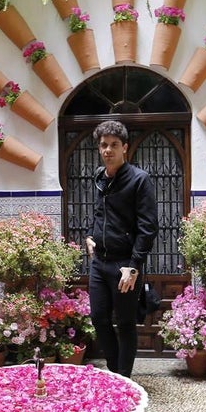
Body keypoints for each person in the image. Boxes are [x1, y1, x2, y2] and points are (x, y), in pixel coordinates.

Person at [84, 120, 158, 379]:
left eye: (114, 145)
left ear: (124, 148)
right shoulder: (99, 178)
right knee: (98, 319)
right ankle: (116, 373)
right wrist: (90, 236)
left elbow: (148, 227)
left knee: (125, 323)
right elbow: (100, 213)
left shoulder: (139, 180)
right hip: (100, 263)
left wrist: (134, 266)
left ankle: (123, 378)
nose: (108, 150)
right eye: (103, 145)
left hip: (125, 264)